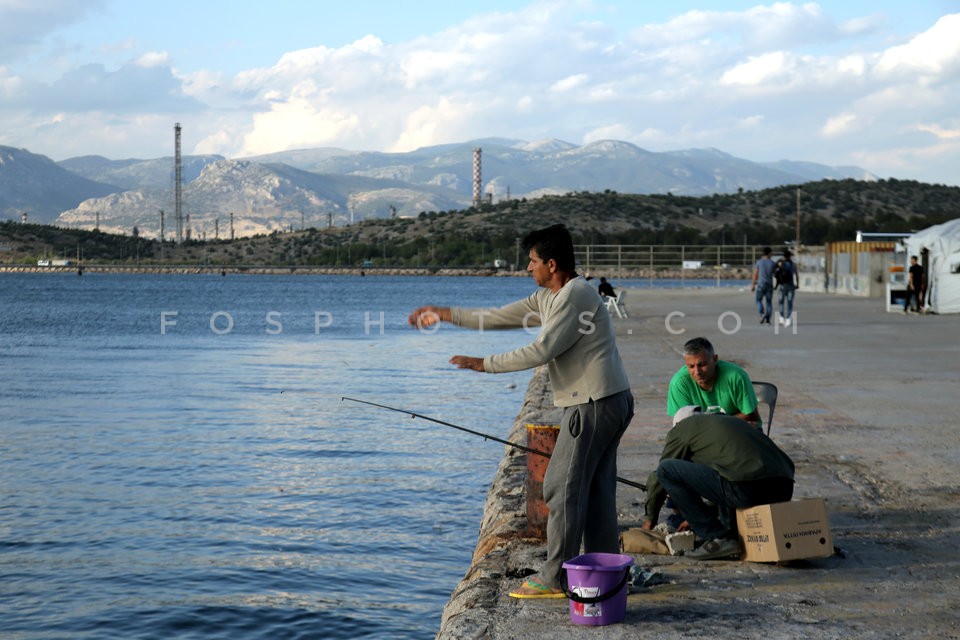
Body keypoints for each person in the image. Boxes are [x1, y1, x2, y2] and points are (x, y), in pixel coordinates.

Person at [407, 223, 634, 599]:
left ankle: (556, 577)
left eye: (532, 262)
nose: (528, 268)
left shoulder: (574, 296)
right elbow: (499, 316)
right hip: (607, 399)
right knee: (594, 491)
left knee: (560, 487)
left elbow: (541, 350)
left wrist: (485, 364)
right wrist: (445, 313)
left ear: (552, 262)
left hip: (593, 403)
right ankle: (605, 573)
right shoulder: (550, 296)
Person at [641, 407, 795, 560]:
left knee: (666, 470)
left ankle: (717, 538)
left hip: (746, 489)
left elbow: (658, 477)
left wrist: (650, 520)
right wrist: (698, 515)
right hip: (783, 488)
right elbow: (720, 476)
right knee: (722, 468)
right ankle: (729, 533)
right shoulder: (727, 424)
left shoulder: (683, 428)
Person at [666, 337, 761, 430]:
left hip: (734, 431)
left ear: (715, 359)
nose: (697, 372)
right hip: (702, 434)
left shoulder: (736, 376)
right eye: (691, 366)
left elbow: (751, 415)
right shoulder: (679, 383)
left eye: (702, 365)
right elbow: (682, 424)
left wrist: (715, 425)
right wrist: (716, 424)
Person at [751, 246, 776, 324]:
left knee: (758, 300)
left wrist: (753, 284)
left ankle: (761, 313)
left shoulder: (759, 262)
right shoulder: (772, 263)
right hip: (769, 284)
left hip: (761, 284)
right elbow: (775, 274)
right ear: (769, 253)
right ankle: (768, 319)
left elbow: (755, 274)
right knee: (769, 302)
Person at [774, 249, 799, 325]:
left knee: (781, 302)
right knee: (790, 303)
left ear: (783, 256)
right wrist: (797, 284)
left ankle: (781, 318)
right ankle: (788, 319)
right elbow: (797, 275)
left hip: (782, 285)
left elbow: (776, 273)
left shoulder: (780, 263)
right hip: (791, 285)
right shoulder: (793, 264)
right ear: (790, 256)